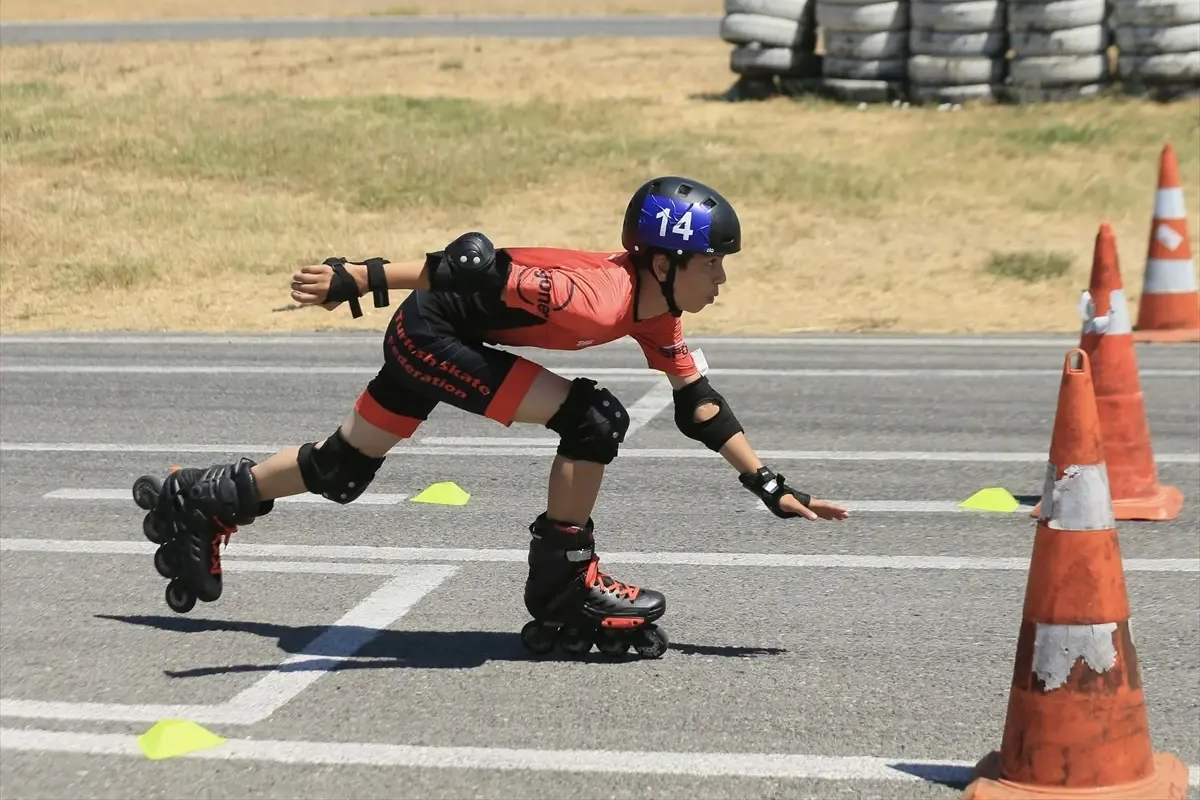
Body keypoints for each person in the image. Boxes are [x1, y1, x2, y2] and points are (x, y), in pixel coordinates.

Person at [133, 175, 849, 659]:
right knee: (593, 418)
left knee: (343, 470)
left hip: (446, 336)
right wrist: (362, 277)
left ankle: (199, 498)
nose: (722, 278)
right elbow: (472, 263)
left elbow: (700, 406)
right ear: (664, 262)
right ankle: (567, 584)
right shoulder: (590, 296)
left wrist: (767, 485)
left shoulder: (656, 311)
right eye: (713, 264)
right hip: (433, 334)